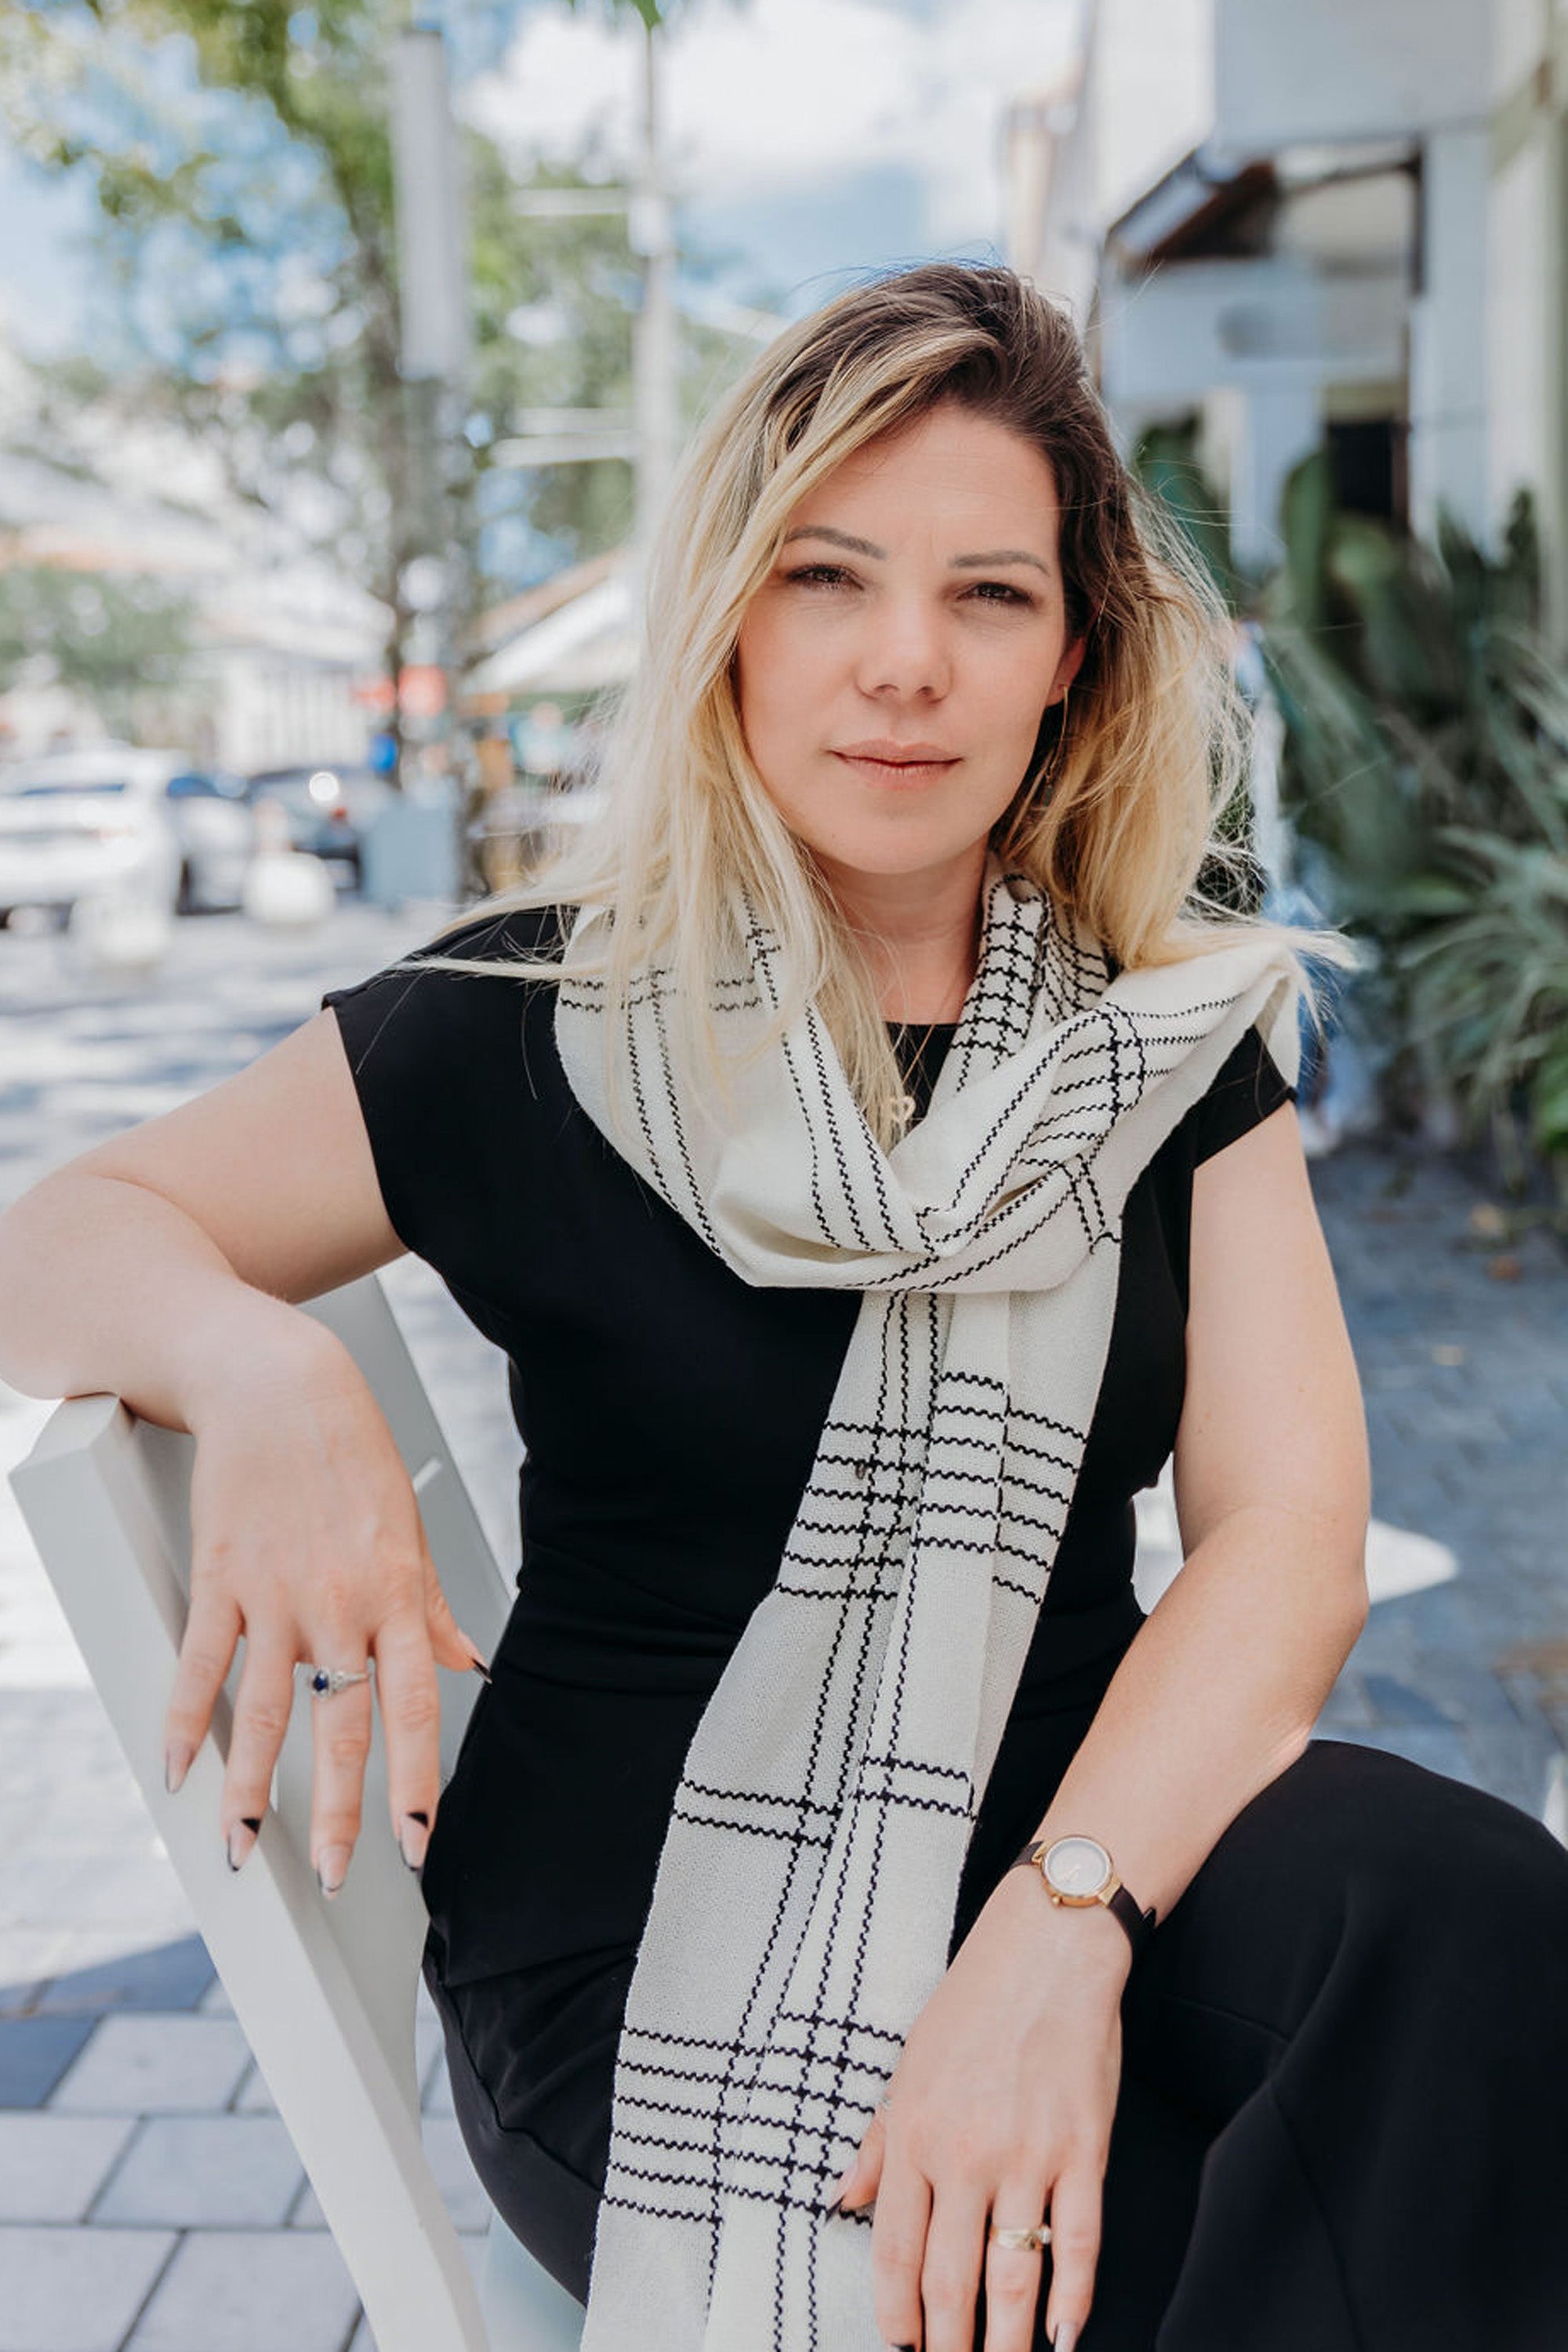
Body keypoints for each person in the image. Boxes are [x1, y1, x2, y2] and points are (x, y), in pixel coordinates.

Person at [2, 263, 1566, 2352]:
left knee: (1482, 1941)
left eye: (988, 596)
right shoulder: (535, 1021)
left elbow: (1288, 1536)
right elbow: (55, 1237)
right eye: (831, 575)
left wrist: (1055, 1930)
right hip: (655, 1953)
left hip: (1078, 1827)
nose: (904, 665)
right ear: (732, 616)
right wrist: (255, 1362)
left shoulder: (1165, 1046)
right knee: (1273, 2250)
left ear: (1073, 663)